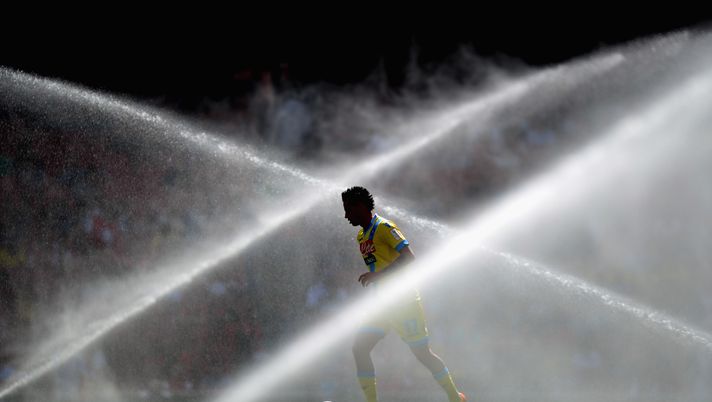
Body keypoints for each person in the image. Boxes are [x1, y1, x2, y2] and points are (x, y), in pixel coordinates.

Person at [341, 186, 467, 402]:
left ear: (360, 207)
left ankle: (455, 398)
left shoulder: (384, 227)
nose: (346, 216)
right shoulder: (361, 236)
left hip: (404, 302)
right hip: (382, 304)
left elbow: (409, 257)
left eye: (348, 209)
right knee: (359, 348)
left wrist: (379, 276)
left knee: (422, 354)